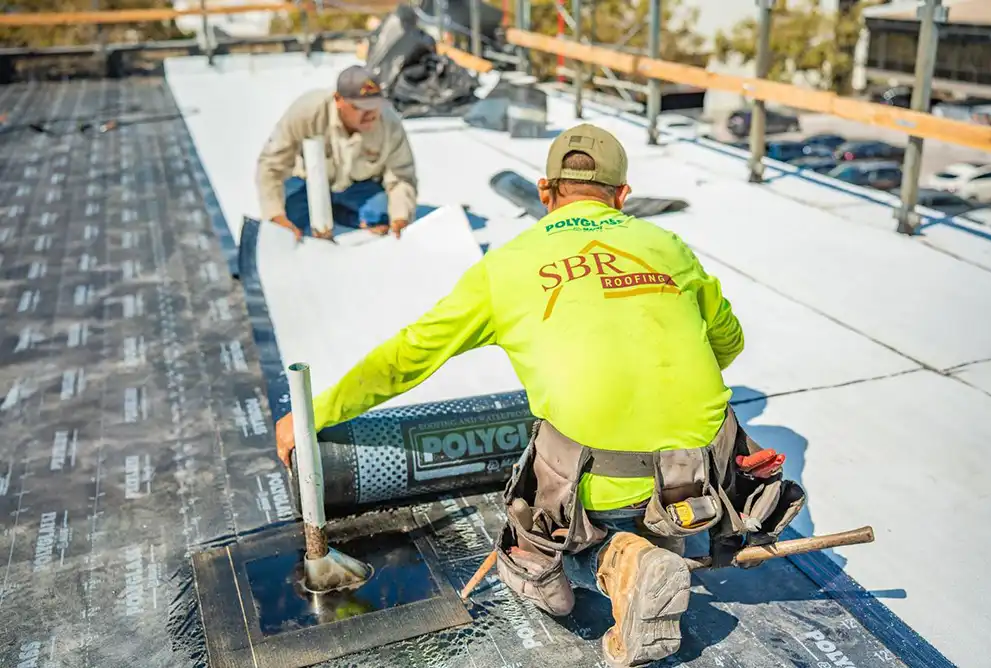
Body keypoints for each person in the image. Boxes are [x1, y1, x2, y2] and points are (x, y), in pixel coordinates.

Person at [274, 124, 803, 667]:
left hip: (605, 479)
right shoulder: (667, 246)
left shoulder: (506, 267)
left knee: (539, 500)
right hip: (700, 474)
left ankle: (597, 561)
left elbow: (409, 356)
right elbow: (727, 343)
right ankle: (673, 532)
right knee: (690, 436)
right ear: (622, 196)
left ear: (545, 192)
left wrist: (314, 413)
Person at [256, 65, 418, 240]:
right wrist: (276, 216)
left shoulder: (389, 123)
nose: (371, 114)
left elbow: (401, 176)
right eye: (360, 107)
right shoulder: (307, 111)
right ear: (338, 100)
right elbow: (271, 165)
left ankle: (342, 213)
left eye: (375, 105)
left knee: (382, 216)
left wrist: (401, 218)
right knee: (289, 223)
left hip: (358, 188)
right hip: (307, 186)